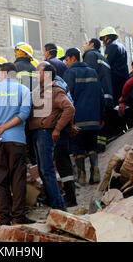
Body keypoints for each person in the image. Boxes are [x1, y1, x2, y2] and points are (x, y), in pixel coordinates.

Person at [0, 62, 35, 225]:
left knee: (2, 180)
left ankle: (4, 218)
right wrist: (4, 127)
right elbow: (24, 114)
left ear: (3, 74)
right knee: (18, 179)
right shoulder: (24, 90)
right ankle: (18, 217)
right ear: (15, 74)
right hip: (16, 140)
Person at [30, 62, 76, 208]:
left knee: (47, 170)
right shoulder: (39, 89)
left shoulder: (55, 90)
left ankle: (58, 205)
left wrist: (57, 129)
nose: (36, 74)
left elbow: (69, 108)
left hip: (45, 133)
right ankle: (51, 199)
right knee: (43, 170)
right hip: (37, 133)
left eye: (39, 72)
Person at [62, 48, 104, 186]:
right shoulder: (93, 72)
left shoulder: (70, 73)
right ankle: (95, 171)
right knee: (92, 146)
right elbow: (100, 95)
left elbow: (67, 97)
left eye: (67, 60)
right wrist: (101, 117)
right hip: (93, 119)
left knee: (78, 148)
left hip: (77, 120)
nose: (66, 63)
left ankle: (81, 176)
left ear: (73, 58)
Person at [83, 38, 114, 152]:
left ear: (92, 45)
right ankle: (101, 144)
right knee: (102, 122)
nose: (84, 45)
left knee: (95, 121)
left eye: (86, 43)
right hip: (107, 95)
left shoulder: (90, 55)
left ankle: (94, 147)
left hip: (96, 95)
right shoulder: (103, 57)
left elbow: (89, 75)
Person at [14, 42, 38, 165]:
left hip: (17, 108)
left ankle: (23, 159)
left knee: (19, 133)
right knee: (30, 133)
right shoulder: (34, 69)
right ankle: (33, 159)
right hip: (31, 107)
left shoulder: (13, 68)